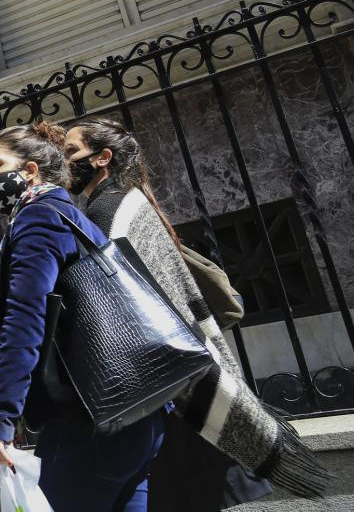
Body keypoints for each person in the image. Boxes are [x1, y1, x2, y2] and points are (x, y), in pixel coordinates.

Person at [64, 116, 327, 508]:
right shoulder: (127, 201)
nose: (64, 160)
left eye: (71, 151)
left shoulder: (108, 211)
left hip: (167, 383)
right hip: (183, 372)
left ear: (102, 158)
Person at [0, 122, 166, 512]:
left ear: (29, 170)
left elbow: (25, 318)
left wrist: (0, 415)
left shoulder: (38, 218)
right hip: (138, 412)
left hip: (88, 422)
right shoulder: (71, 216)